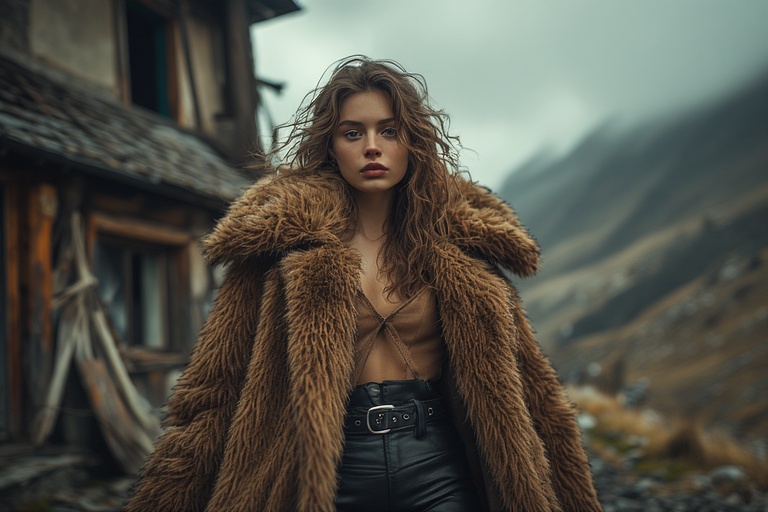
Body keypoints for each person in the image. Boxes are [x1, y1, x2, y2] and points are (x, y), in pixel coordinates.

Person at [124, 56, 601, 512]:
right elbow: (210, 394)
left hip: (438, 464)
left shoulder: (462, 251)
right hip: (320, 470)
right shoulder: (281, 250)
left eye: (388, 131)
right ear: (331, 147)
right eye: (353, 133)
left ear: (411, 141)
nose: (372, 146)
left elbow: (536, 396)